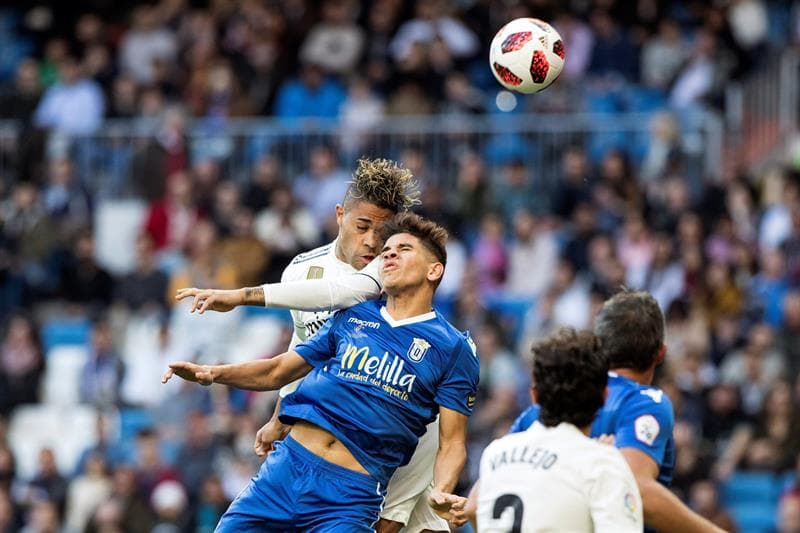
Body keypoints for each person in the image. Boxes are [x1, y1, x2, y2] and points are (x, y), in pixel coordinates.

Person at [176, 158, 453, 532]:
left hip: (394, 447)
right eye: (362, 226)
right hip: (319, 454)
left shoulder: (386, 279)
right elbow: (302, 346)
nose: (372, 241)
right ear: (340, 215)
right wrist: (280, 416)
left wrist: (240, 295)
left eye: (384, 232)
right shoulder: (301, 270)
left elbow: (339, 292)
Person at [463, 290, 725, 533]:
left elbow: (474, 506)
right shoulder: (643, 403)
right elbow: (637, 491)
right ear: (660, 354)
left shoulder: (528, 421)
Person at [477, 327, 642, 532]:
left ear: (534, 396)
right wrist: (598, 455)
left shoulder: (495, 453)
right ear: (604, 396)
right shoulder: (603, 464)